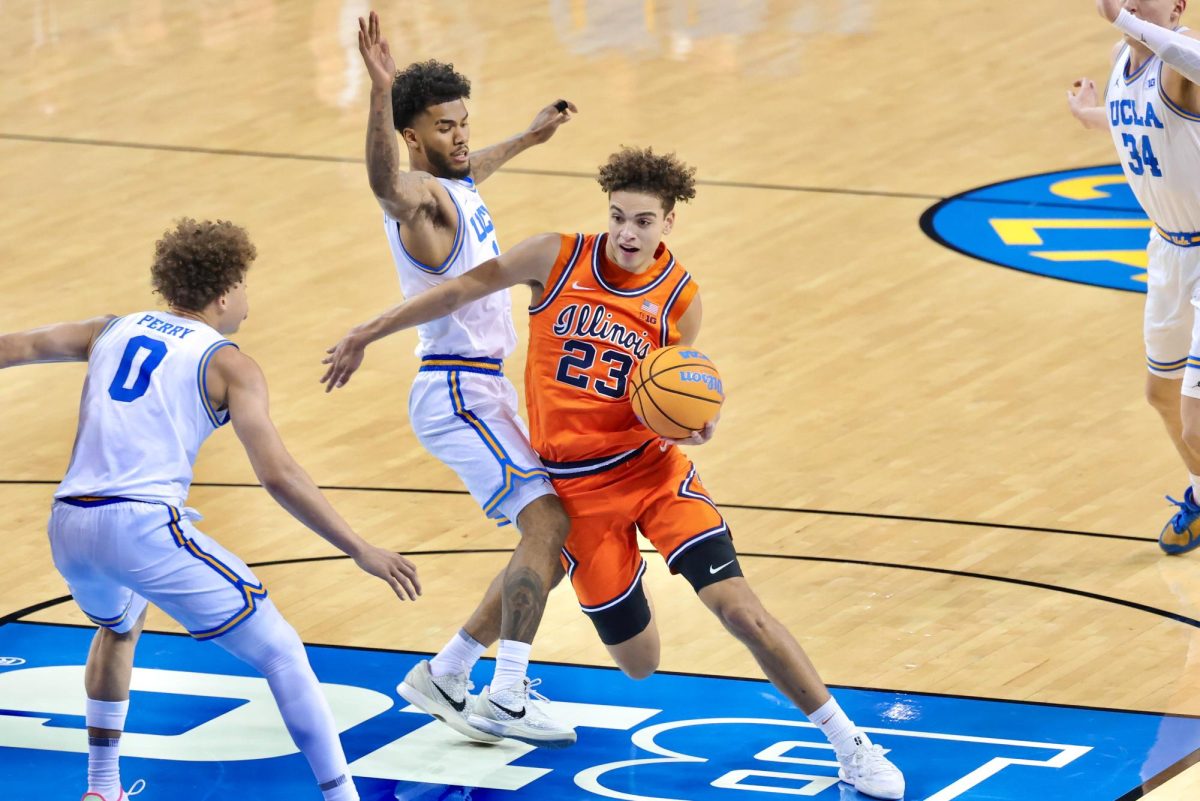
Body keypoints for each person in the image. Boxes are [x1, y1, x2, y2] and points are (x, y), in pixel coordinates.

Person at [322, 147, 906, 800]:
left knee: (740, 610)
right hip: (581, 492)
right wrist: (366, 333)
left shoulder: (680, 298)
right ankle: (463, 662)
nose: (628, 233)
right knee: (641, 663)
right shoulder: (555, 256)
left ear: (670, 222)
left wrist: (693, 422)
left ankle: (849, 743)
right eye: (619, 217)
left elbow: (681, 388)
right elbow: (457, 289)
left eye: (644, 221)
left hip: (654, 473)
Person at [0, 218, 420, 801]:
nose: (247, 298)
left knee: (120, 626)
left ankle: (102, 788)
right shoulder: (230, 365)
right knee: (281, 650)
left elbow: (12, 348)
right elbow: (278, 475)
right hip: (142, 526)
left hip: (69, 525)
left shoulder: (109, 330)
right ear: (225, 293)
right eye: (244, 284)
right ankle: (341, 796)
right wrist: (359, 547)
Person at [320, 11, 579, 747]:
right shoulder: (419, 199)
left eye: (465, 121)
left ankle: (451, 671)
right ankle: (506, 694)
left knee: (554, 539)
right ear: (413, 136)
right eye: (445, 126)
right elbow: (384, 183)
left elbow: (472, 171)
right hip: (458, 389)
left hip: (482, 387)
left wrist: (528, 138)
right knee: (548, 525)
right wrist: (378, 90)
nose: (462, 135)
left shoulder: (456, 182)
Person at [1070, 0, 1200, 553]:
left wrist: (1125, 21)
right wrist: (1088, 116)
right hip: (1168, 250)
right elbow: (1133, 124)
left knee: (1197, 425)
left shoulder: (1182, 62)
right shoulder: (1124, 59)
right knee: (1160, 396)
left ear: (1176, 7)